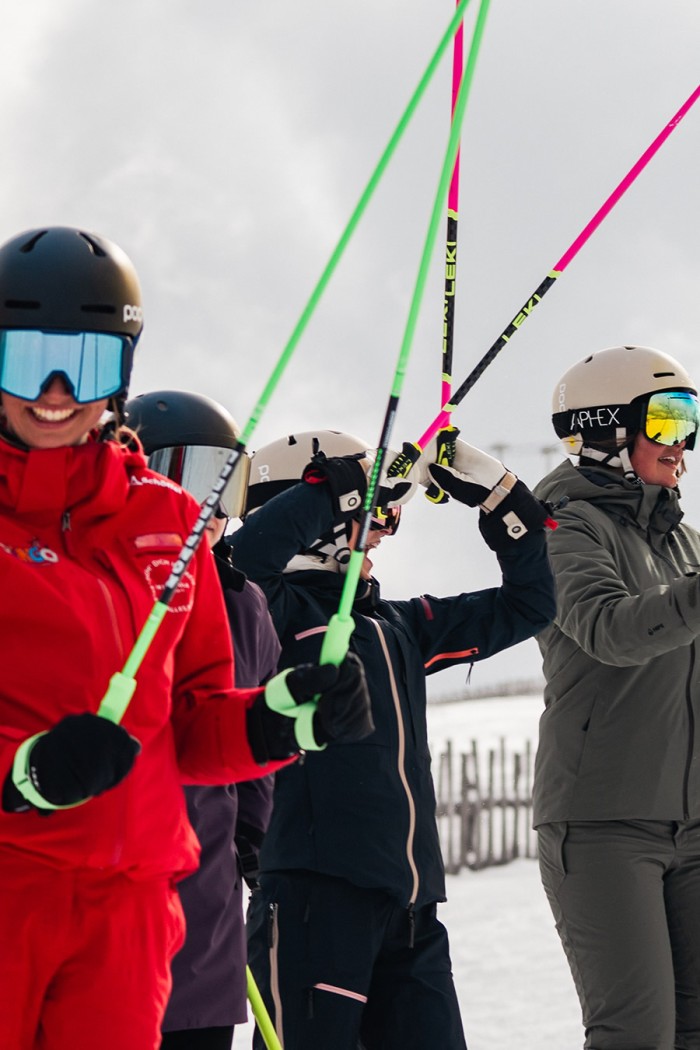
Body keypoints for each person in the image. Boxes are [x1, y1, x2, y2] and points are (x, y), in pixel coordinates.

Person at [0, 226, 373, 1050]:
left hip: (127, 913)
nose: (56, 391)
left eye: (87, 364)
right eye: (27, 359)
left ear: (122, 374)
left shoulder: (169, 521)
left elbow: (196, 724)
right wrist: (24, 773)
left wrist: (280, 717)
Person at [229, 427, 557, 1050]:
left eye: (388, 511)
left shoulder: (399, 623)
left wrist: (504, 503)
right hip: (310, 904)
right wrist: (334, 491)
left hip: (411, 913)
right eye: (371, 511)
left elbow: (531, 604)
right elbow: (240, 564)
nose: (382, 528)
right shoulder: (266, 609)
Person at [532, 344, 700, 1049]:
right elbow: (607, 629)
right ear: (606, 428)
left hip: (690, 825)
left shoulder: (682, 541)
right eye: (666, 418)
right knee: (637, 1034)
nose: (682, 441)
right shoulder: (565, 526)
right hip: (603, 825)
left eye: (690, 418)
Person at [124, 388, 281, 1050]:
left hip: (207, 902)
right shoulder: (116, 580)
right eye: (191, 475)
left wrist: (253, 836)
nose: (211, 508)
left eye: (229, 482)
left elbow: (239, 722)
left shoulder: (243, 603)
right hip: (123, 884)